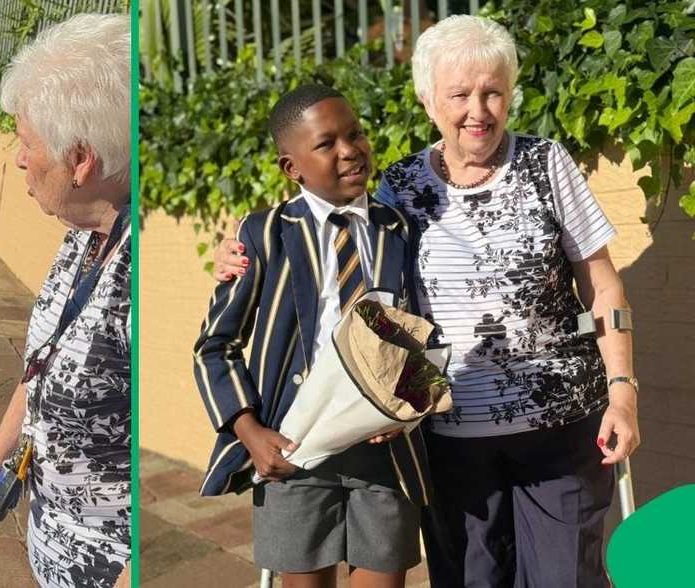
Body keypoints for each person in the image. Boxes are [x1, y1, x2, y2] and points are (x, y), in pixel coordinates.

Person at [213, 15, 639, 587]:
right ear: (427, 100)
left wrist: (623, 391)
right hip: (449, 438)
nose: (478, 110)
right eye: (459, 94)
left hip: (558, 427)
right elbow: (338, 249)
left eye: (493, 92)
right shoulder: (399, 190)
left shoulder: (547, 164)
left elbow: (603, 285)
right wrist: (241, 245)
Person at [195, 84, 430, 588]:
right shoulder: (262, 233)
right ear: (291, 166)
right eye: (326, 144)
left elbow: (423, 331)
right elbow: (215, 346)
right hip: (293, 447)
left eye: (356, 133)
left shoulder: (400, 230)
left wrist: (409, 407)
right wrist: (249, 432)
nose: (350, 150)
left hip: (383, 450)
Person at [0, 13, 132, 588]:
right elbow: (41, 366)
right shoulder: (85, 235)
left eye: (26, 142)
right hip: (51, 543)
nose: (18, 158)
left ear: (81, 159)